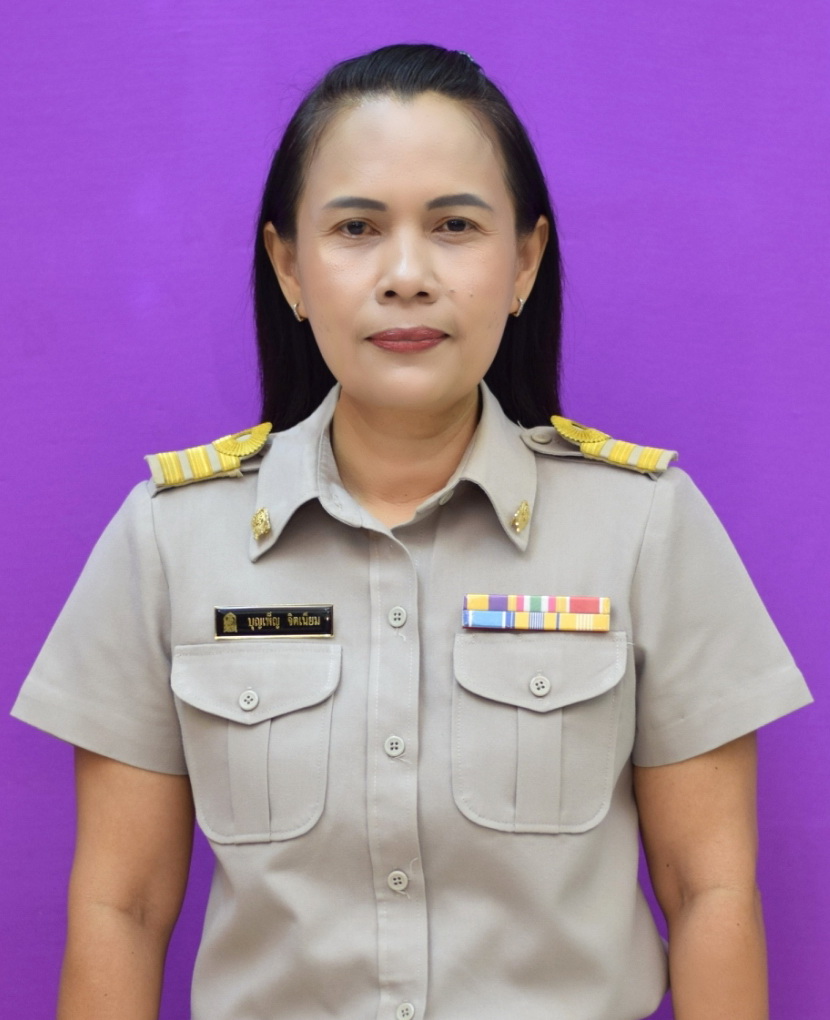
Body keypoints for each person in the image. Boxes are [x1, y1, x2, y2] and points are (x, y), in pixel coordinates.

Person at [11, 43, 812, 1020]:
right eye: (355, 227)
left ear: (523, 263)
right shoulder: (169, 541)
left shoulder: (644, 525)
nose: (405, 275)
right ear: (288, 266)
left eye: (453, 226)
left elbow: (708, 891)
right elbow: (122, 909)